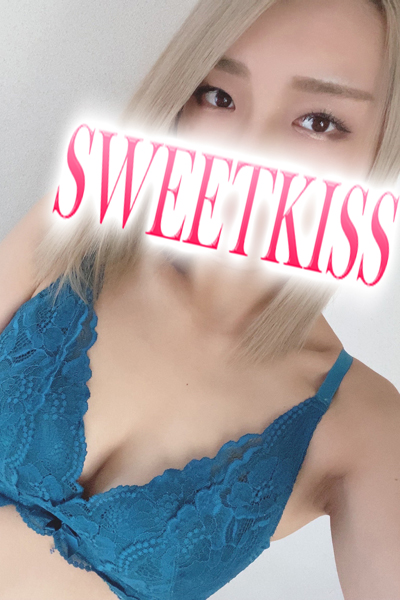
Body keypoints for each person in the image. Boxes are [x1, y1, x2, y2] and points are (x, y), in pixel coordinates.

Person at [0, 0, 399, 599]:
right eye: (219, 96)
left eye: (319, 121)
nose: (248, 148)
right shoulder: (77, 233)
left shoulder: (362, 423)